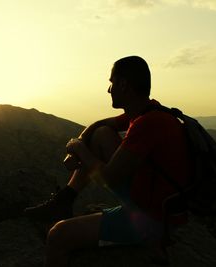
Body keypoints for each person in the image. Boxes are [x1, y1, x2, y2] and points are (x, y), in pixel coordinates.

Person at [24, 56, 192, 267]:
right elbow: (99, 125)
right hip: (152, 199)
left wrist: (77, 148)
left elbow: (108, 178)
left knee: (57, 235)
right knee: (102, 134)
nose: (108, 90)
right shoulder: (148, 111)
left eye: (111, 83)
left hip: (153, 218)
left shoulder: (148, 124)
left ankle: (150, 239)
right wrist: (82, 141)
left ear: (123, 85)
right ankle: (65, 199)